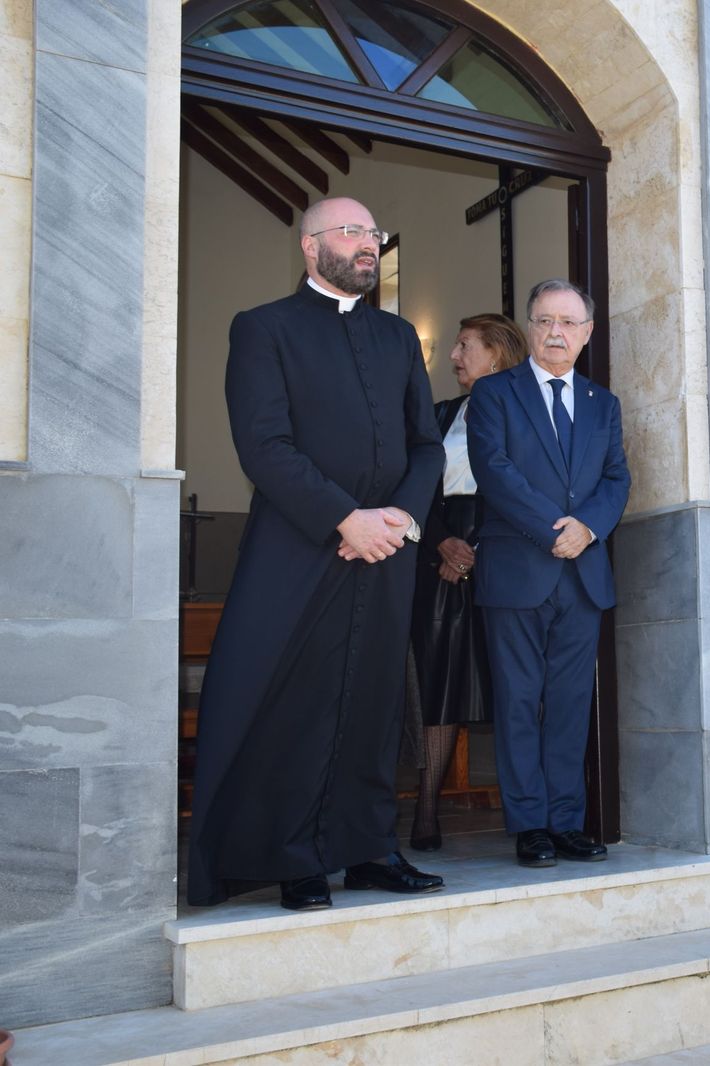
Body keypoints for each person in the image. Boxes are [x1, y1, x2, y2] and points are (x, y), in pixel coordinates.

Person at [187, 197, 447, 911]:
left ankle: (367, 849)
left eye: (373, 234)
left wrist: (398, 517)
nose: (368, 244)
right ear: (310, 247)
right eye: (351, 232)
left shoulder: (397, 339)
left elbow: (426, 445)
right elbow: (264, 446)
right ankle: (292, 855)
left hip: (388, 548)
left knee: (372, 698)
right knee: (293, 701)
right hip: (298, 545)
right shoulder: (264, 328)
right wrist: (343, 518)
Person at [466, 278, 630, 868]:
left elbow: (617, 479)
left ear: (587, 333)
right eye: (544, 321)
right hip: (517, 568)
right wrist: (555, 529)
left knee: (567, 702)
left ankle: (565, 821)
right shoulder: (493, 394)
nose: (555, 332)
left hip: (583, 574)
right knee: (517, 699)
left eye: (568, 322)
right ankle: (529, 823)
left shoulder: (601, 404)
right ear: (529, 327)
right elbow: (495, 469)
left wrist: (587, 528)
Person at [407, 313, 528, 851]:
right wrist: (442, 544)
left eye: (463, 347)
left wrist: (479, 548)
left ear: (496, 354)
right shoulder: (439, 415)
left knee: (513, 684)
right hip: (438, 562)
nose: (453, 357)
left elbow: (529, 487)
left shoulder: (528, 413)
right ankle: (426, 812)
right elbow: (414, 490)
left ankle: (529, 815)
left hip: (504, 552)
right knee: (438, 682)